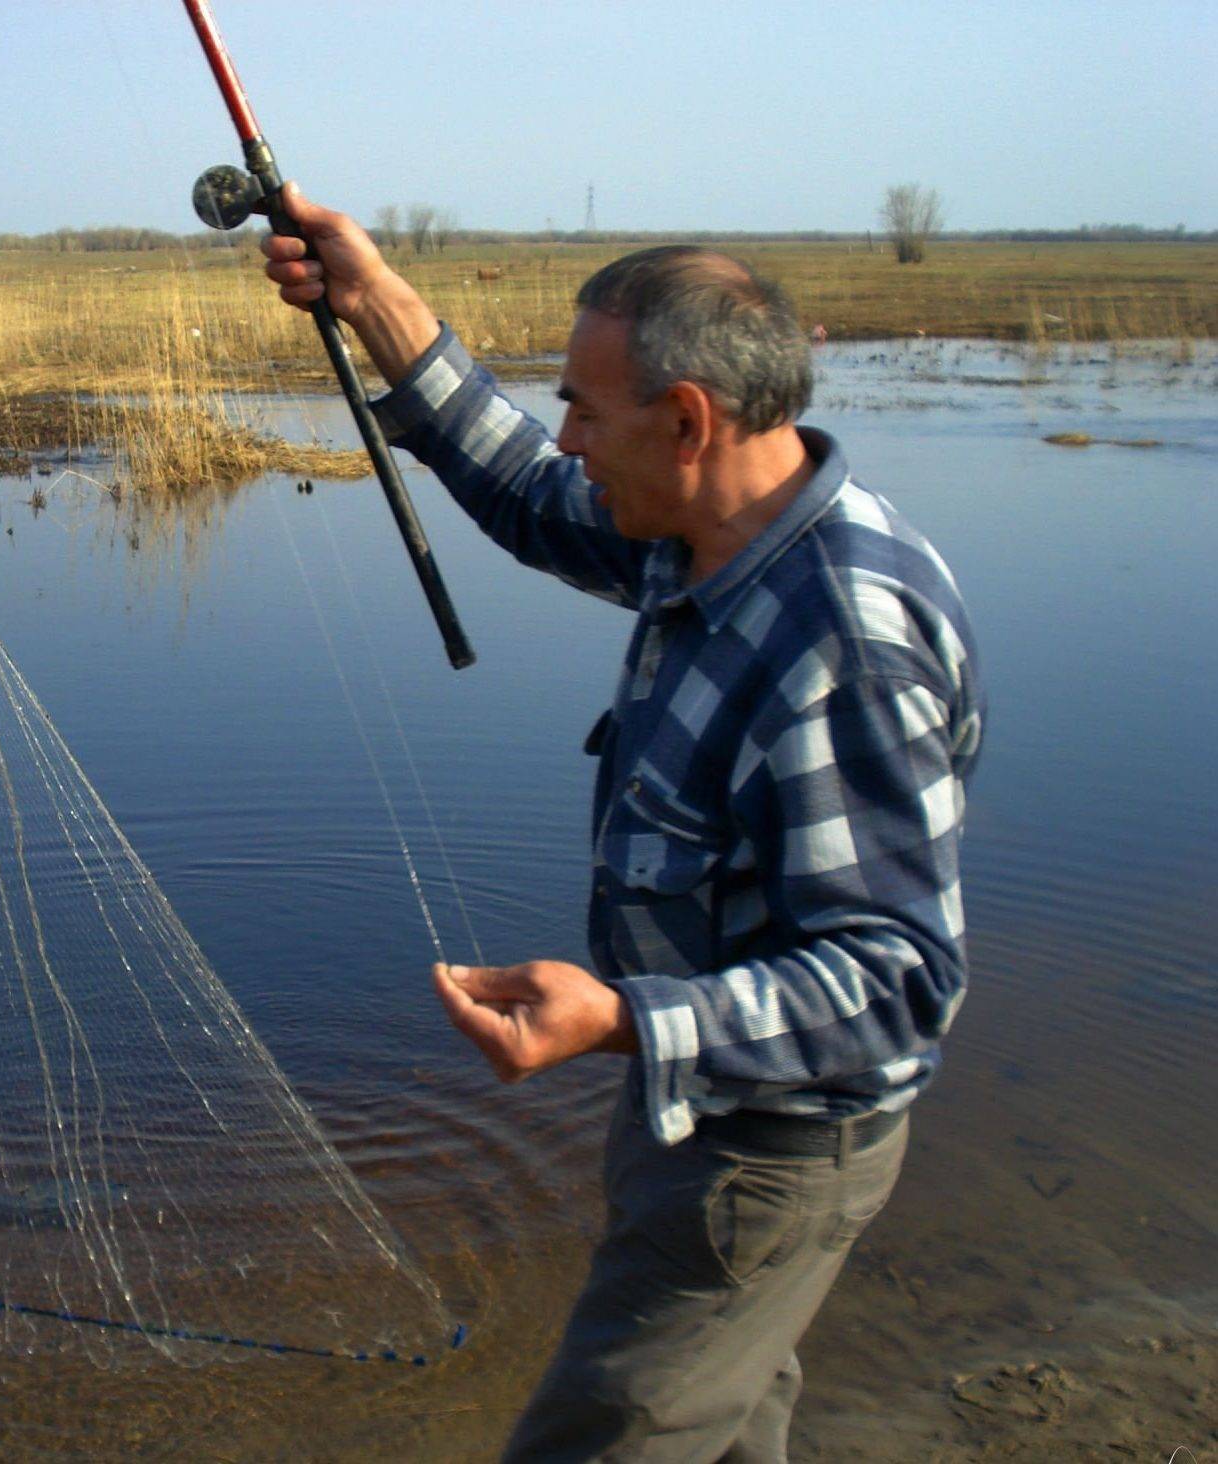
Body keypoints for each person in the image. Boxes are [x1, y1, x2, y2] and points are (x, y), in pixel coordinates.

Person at [263, 187, 983, 1462]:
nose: (567, 434)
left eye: (585, 409)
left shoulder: (840, 645)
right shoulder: (707, 534)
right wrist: (368, 297)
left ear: (688, 420)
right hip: (707, 1124)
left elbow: (894, 983)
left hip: (768, 1155)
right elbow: (535, 496)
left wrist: (621, 1020)